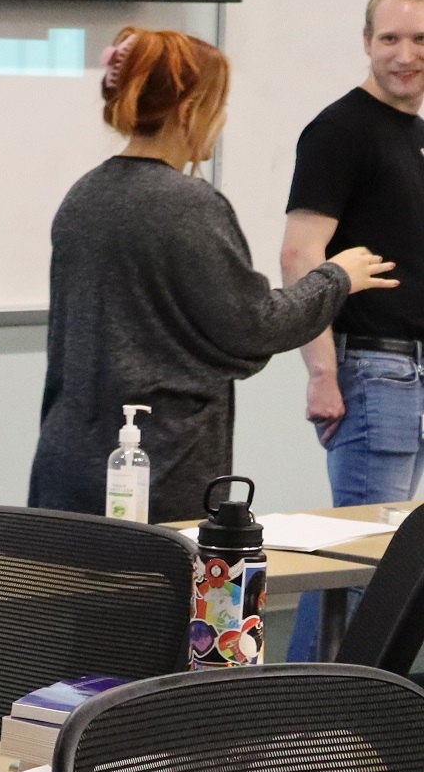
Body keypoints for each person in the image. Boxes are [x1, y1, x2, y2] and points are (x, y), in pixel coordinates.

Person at [28, 27, 393, 522]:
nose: (220, 121)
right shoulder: (189, 205)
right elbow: (254, 326)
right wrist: (337, 275)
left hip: (68, 466)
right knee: (168, 598)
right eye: (217, 105)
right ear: (188, 109)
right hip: (161, 472)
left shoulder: (84, 197)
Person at [281, 0, 424, 653]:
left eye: (420, 38)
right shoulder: (341, 131)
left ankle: (338, 723)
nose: (405, 53)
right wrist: (321, 374)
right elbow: (300, 257)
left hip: (411, 372)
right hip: (371, 374)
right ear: (366, 43)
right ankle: (297, 726)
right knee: (359, 564)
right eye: (390, 38)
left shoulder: (411, 133)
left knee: (385, 565)